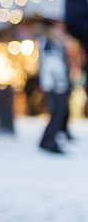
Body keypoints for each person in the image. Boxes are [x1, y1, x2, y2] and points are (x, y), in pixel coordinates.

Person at [36, 18, 72, 154]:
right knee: (57, 113)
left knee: (58, 113)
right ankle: (48, 142)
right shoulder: (48, 42)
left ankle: (48, 140)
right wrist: (59, 82)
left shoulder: (50, 42)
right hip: (54, 85)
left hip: (54, 84)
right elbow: (52, 65)